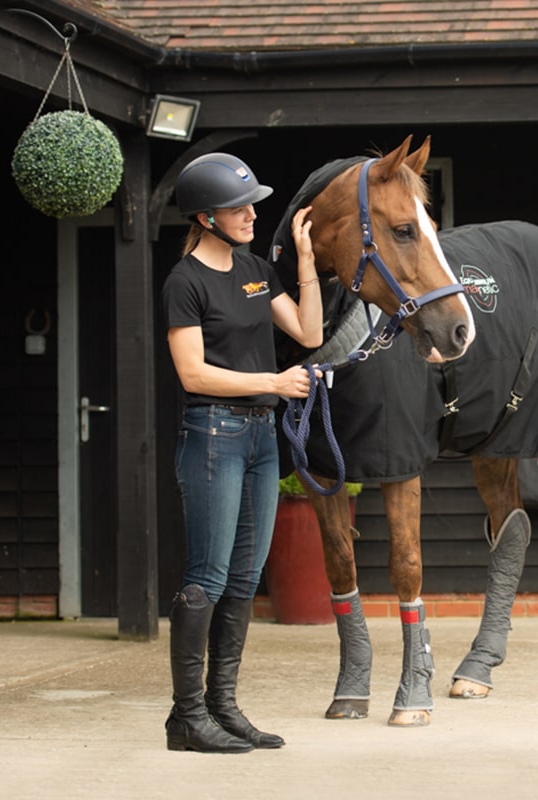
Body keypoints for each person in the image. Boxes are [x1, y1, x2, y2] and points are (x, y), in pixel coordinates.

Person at [160, 152, 323, 754]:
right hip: (214, 435)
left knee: (245, 577)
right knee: (208, 574)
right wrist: (276, 383)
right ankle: (186, 716)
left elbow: (307, 333)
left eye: (252, 202)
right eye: (238, 207)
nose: (252, 213)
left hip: (259, 436)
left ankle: (224, 706)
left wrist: (304, 263)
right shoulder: (185, 282)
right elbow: (193, 374)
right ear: (206, 217)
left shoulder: (256, 269)